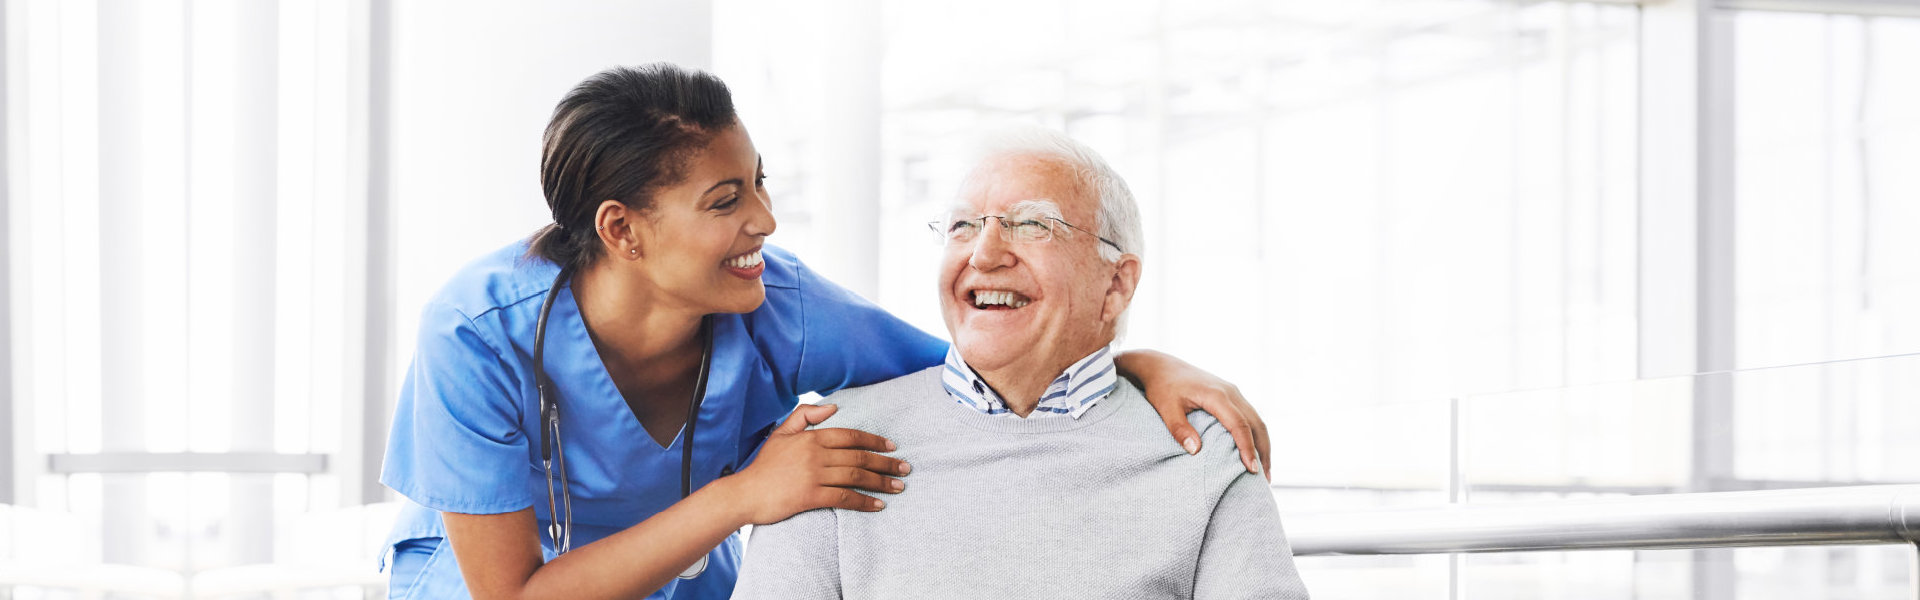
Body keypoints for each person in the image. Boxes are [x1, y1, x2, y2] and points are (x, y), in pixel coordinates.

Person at [378, 63, 1275, 600]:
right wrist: (744, 497)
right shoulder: (476, 334)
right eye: (726, 200)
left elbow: (989, 366)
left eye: (760, 183)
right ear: (623, 229)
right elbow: (513, 593)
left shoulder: (783, 305)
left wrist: (1138, 363)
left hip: (684, 581)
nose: (766, 221)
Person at [729, 128, 1311, 599]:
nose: (984, 253)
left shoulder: (1204, 453)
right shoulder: (829, 447)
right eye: (962, 226)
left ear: (1115, 284)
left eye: (1032, 224)